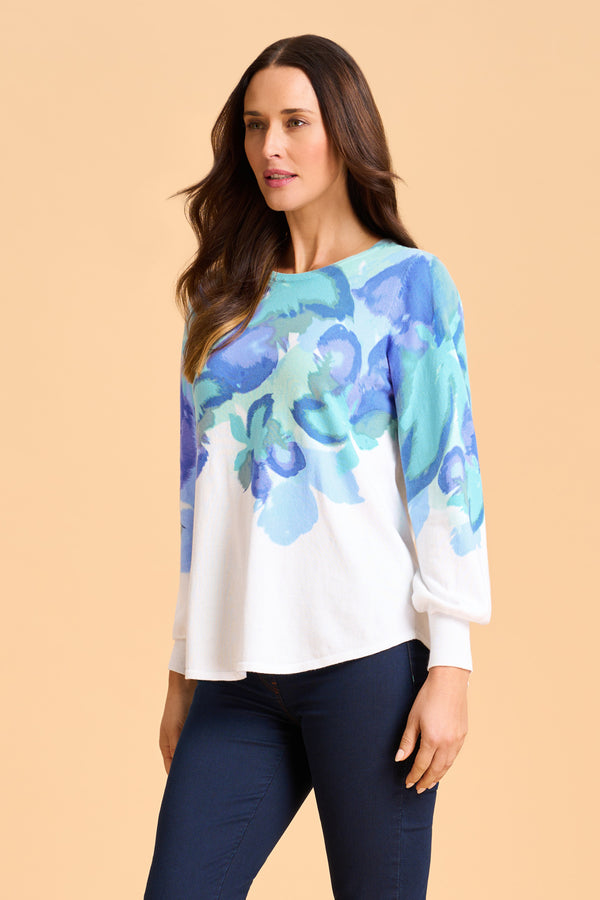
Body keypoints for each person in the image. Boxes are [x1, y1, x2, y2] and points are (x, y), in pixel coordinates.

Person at [144, 33, 491, 900]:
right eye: (255, 125)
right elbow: (196, 499)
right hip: (236, 668)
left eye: (296, 122)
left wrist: (450, 665)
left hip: (368, 660)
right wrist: (183, 666)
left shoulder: (409, 285)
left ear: (345, 130)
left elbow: (447, 476)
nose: (271, 146)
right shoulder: (218, 301)